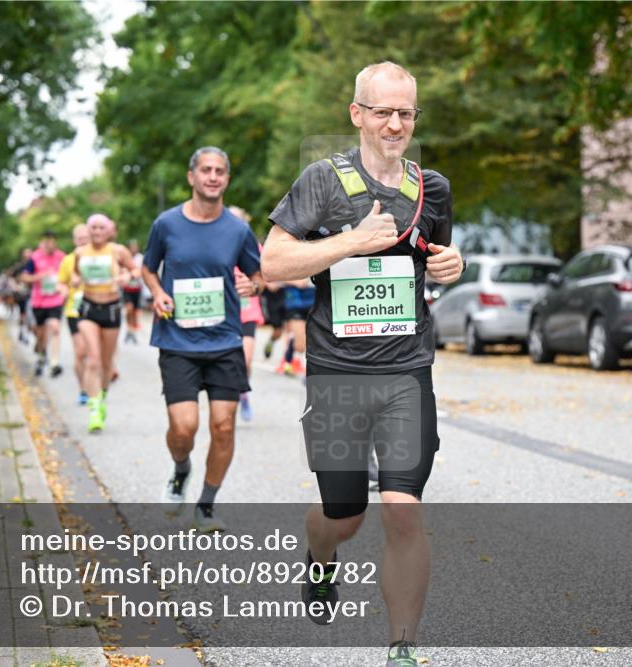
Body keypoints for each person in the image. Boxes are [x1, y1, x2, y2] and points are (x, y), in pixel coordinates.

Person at [261, 62, 462, 666]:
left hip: (406, 370)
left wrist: (451, 269)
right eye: (383, 111)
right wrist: (350, 241)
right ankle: (320, 559)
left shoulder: (433, 188)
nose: (395, 123)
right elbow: (272, 263)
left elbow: (435, 261)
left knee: (403, 509)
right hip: (337, 372)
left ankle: (402, 645)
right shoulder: (322, 181)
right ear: (358, 115)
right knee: (342, 515)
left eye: (406, 113)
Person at [141, 146, 262, 533]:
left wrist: (252, 285)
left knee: (224, 426)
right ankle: (181, 470)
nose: (213, 176)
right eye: (206, 170)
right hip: (178, 341)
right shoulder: (166, 224)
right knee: (184, 428)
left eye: (220, 171)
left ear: (227, 179)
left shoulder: (239, 230)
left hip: (225, 340)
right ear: (191, 176)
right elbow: (148, 270)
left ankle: (206, 505)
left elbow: (259, 277)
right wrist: (157, 292)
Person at [73, 214, 137, 432]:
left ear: (109, 230)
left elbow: (136, 269)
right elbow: (74, 274)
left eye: (102, 228)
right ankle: (93, 407)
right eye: (93, 228)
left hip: (111, 309)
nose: (98, 232)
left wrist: (127, 277)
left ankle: (102, 396)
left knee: (107, 362)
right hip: (88, 307)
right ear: (88, 230)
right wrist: (75, 280)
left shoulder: (118, 251)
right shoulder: (80, 252)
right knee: (93, 359)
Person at [228, 206, 264, 422]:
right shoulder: (215, 244)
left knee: (246, 359)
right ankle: (228, 399)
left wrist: (253, 285)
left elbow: (264, 275)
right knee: (228, 361)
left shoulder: (252, 246)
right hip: (223, 312)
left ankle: (243, 394)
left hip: (248, 310)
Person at [22, 232, 66, 377]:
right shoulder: (34, 258)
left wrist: (65, 286)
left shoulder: (61, 257)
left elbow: (69, 275)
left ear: (55, 242)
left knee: (55, 327)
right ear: (41, 242)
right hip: (38, 301)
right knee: (41, 335)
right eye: (46, 242)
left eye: (51, 242)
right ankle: (41, 356)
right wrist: (38, 276)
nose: (49, 245)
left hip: (55, 300)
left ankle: (54, 362)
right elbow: (24, 277)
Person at [57, 224, 91, 405]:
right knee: (81, 351)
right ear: (74, 240)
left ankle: (96, 385)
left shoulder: (99, 258)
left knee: (94, 352)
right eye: (79, 239)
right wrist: (65, 289)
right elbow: (60, 283)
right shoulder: (68, 260)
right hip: (74, 309)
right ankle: (84, 389)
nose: (83, 242)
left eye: (86, 238)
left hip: (96, 307)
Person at [123, 240, 145, 344]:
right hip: (127, 289)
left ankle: (132, 332)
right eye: (132, 247)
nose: (133, 249)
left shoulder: (140, 258)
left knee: (135, 312)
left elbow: (143, 271)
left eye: (135, 247)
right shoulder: (125, 257)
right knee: (129, 309)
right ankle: (129, 328)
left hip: (137, 288)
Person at [11, 248, 33, 343]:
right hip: (21, 295)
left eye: (29, 254)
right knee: (23, 314)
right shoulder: (19, 266)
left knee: (29, 316)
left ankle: (26, 334)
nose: (28, 256)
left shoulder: (35, 265)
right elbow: (11, 278)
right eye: (26, 255)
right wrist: (15, 287)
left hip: (32, 294)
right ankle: (22, 332)